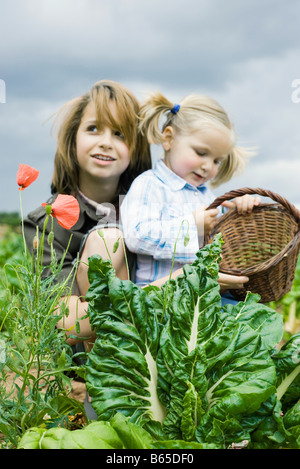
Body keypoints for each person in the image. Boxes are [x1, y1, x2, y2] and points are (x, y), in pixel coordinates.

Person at [24, 79, 152, 349]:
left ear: (137, 146)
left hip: (155, 352)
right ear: (73, 139)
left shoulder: (153, 213)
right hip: (85, 363)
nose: (106, 142)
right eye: (93, 129)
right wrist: (172, 287)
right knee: (107, 239)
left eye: (120, 134)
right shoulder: (46, 223)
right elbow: (72, 322)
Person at [120, 91, 260, 292]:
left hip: (202, 296)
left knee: (255, 313)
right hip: (162, 300)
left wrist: (239, 212)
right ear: (169, 139)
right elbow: (137, 236)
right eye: (201, 153)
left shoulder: (207, 196)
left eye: (216, 161)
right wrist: (192, 226)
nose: (207, 166)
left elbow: (226, 241)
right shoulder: (150, 185)